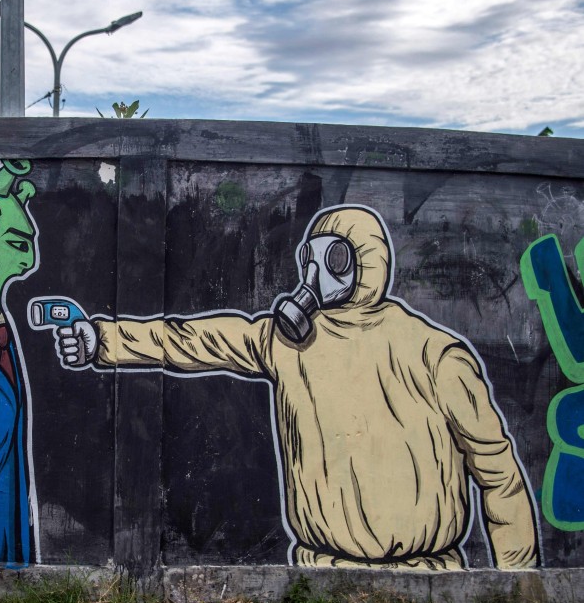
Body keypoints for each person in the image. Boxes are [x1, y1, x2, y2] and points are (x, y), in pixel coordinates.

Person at [47, 205, 538, 569]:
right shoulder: (290, 343)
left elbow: (498, 474)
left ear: (365, 262)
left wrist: (519, 585)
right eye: (311, 259)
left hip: (429, 581)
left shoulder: (436, 356)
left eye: (335, 259)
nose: (316, 275)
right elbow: (194, 340)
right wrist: (102, 340)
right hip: (317, 575)